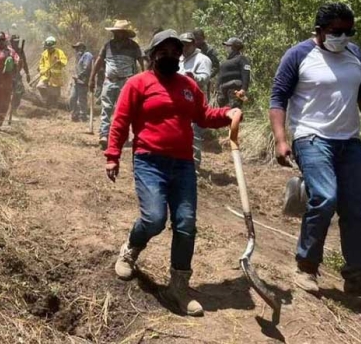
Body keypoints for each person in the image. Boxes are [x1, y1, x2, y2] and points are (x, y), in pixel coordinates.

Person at [105, 29, 239, 317]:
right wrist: (112, 155)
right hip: (149, 161)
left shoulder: (188, 85)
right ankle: (130, 248)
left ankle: (178, 287)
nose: (169, 56)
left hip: (183, 164)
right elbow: (121, 121)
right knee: (153, 219)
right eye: (162, 51)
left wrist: (227, 113)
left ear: (181, 55)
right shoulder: (138, 83)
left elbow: (203, 115)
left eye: (174, 51)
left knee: (185, 223)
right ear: (153, 55)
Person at [269, 2, 361, 301]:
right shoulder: (299, 55)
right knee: (325, 196)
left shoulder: (355, 55)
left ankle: (357, 276)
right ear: (319, 30)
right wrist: (281, 139)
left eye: (348, 31)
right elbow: (278, 99)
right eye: (336, 32)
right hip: (311, 137)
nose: (343, 37)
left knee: (355, 207)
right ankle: (306, 267)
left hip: (349, 141)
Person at [89, 20, 145, 150]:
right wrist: (92, 78)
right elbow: (99, 61)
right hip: (109, 81)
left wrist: (144, 80)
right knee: (106, 108)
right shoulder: (108, 46)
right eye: (115, 32)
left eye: (120, 32)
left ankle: (122, 137)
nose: (116, 35)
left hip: (127, 82)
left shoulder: (134, 47)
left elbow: (142, 63)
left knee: (124, 111)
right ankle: (104, 135)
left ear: (125, 34)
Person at [179, 32, 213, 169]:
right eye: (181, 45)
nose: (184, 47)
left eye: (187, 44)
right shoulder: (179, 59)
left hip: (195, 103)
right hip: (179, 102)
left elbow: (205, 78)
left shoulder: (202, 59)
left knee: (193, 135)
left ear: (193, 44)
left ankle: (194, 167)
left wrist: (194, 77)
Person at [217, 37, 251, 108]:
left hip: (234, 90)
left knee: (233, 112)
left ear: (234, 47)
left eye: (228, 46)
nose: (226, 47)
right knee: (223, 114)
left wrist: (243, 89)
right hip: (223, 91)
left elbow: (246, 74)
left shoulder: (241, 59)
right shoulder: (226, 60)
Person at [37, 37, 68, 108]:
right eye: (48, 48)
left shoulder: (59, 52)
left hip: (55, 77)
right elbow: (41, 63)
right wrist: (42, 70)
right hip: (46, 75)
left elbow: (65, 62)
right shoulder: (44, 53)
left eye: (50, 48)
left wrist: (60, 61)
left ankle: (54, 107)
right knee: (40, 86)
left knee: (55, 94)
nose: (49, 49)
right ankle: (46, 99)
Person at [70, 42, 93, 122]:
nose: (76, 50)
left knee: (82, 99)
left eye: (78, 48)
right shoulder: (79, 57)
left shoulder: (87, 55)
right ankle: (75, 115)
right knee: (72, 98)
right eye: (76, 48)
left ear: (83, 48)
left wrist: (78, 76)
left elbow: (86, 68)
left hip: (83, 82)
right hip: (76, 81)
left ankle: (83, 116)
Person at [9, 34, 30, 115]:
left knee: (19, 90)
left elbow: (24, 62)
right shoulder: (8, 50)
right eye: (15, 42)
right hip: (7, 74)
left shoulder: (20, 50)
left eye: (18, 42)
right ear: (11, 42)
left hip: (17, 74)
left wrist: (27, 73)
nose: (16, 43)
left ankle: (13, 108)